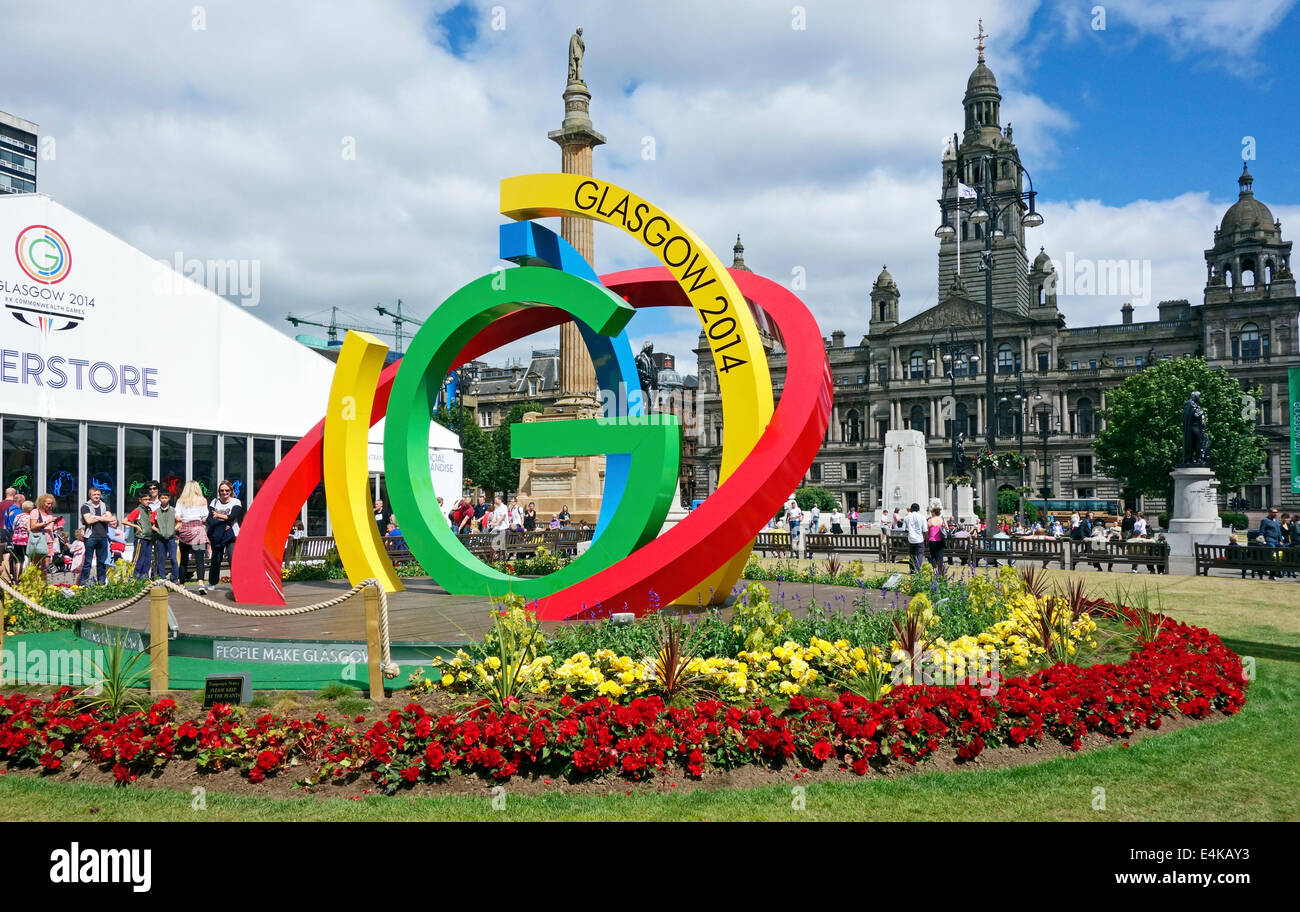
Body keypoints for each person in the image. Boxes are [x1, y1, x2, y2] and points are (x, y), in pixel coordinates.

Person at [206, 480, 244, 587]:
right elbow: (209, 518)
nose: (224, 492)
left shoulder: (235, 502)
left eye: (227, 490)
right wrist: (224, 520)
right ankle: (212, 582)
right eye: (222, 490)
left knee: (233, 559)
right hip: (218, 533)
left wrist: (218, 515)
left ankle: (237, 583)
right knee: (216, 559)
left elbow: (233, 516)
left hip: (231, 534)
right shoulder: (214, 502)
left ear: (231, 491)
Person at [175, 481, 211, 593]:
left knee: (184, 559)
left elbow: (177, 516)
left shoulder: (181, 500)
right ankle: (200, 583)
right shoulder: (202, 500)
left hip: (185, 530)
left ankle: (181, 584)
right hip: (198, 531)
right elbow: (205, 517)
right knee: (200, 559)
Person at [78, 486, 115, 585]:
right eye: (94, 494)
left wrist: (95, 517)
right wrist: (102, 517)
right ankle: (83, 584)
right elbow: (88, 521)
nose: (97, 496)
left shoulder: (105, 505)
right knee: (88, 562)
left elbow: (110, 519)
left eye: (98, 494)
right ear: (90, 495)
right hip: (90, 537)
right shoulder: (85, 507)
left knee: (102, 562)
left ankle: (101, 583)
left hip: (103, 537)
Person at [27, 493, 63, 575]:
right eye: (48, 503)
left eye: (51, 503)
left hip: (49, 540)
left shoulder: (49, 513)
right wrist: (48, 521)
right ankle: (35, 580)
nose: (50, 505)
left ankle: (43, 580)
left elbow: (49, 527)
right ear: (42, 502)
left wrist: (57, 527)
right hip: (39, 540)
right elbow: (33, 526)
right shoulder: (35, 512)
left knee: (46, 563)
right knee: (37, 563)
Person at [124, 492, 156, 579]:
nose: (148, 501)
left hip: (149, 538)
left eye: (149, 499)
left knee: (147, 560)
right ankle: (134, 578)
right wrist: (136, 526)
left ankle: (144, 578)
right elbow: (125, 521)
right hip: (140, 538)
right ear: (140, 500)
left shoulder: (149, 510)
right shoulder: (137, 510)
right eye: (145, 499)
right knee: (138, 559)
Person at [152, 491, 179, 582]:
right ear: (159, 499)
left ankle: (175, 579)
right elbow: (152, 525)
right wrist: (159, 531)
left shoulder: (174, 510)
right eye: (162, 498)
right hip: (160, 539)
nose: (164, 500)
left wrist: (173, 530)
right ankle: (162, 578)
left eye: (166, 498)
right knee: (161, 559)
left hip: (171, 538)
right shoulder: (156, 512)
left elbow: (179, 522)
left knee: (173, 559)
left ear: (169, 498)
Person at [903, 502, 926, 573]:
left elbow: (904, 529)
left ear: (911, 509)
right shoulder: (922, 517)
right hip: (919, 538)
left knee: (912, 555)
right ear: (918, 509)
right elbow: (925, 530)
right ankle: (918, 568)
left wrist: (910, 531)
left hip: (911, 538)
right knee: (920, 554)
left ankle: (912, 570)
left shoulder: (906, 517)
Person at [926, 505, 946, 573]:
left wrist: (926, 539)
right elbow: (947, 529)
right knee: (940, 556)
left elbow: (927, 531)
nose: (931, 513)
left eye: (931, 511)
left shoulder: (930, 520)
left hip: (932, 540)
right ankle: (940, 571)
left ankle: (934, 569)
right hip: (941, 540)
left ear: (934, 512)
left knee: (933, 556)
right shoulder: (942, 520)